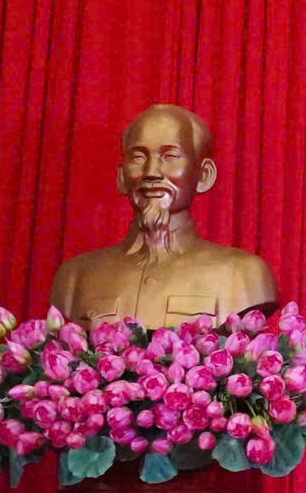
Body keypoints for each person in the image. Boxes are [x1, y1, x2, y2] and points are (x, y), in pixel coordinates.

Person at [48, 103, 277, 326]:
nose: (151, 172)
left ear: (204, 175)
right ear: (121, 177)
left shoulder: (244, 276)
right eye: (138, 157)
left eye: (170, 156)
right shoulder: (74, 277)